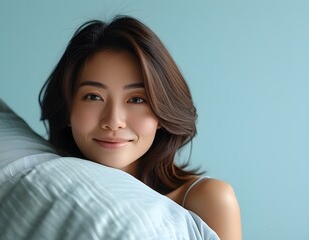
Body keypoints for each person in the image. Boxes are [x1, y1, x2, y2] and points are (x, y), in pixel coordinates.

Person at [39, 15, 241, 240]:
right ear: (67, 109)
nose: (114, 121)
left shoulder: (208, 200)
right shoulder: (43, 188)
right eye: (94, 97)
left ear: (161, 112)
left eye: (136, 99)